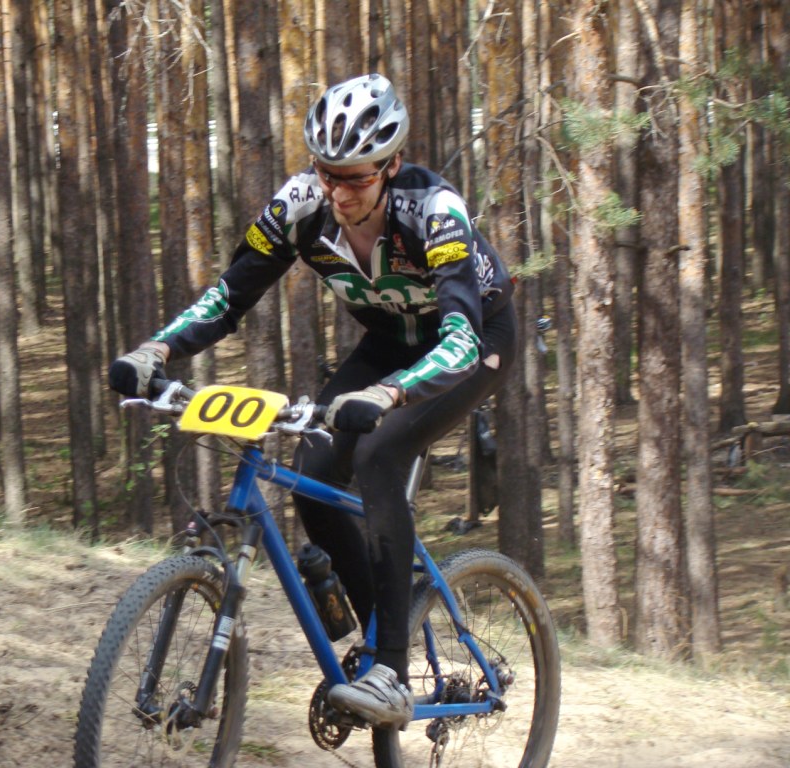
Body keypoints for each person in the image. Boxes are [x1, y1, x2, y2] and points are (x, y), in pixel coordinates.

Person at [108, 73, 517, 730]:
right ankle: (379, 640)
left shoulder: (435, 211)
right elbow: (230, 294)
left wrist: (387, 392)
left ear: (391, 166)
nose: (338, 192)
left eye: (356, 179)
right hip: (388, 342)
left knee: (380, 455)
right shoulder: (300, 205)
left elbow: (461, 340)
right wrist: (156, 350)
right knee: (314, 474)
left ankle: (391, 671)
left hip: (473, 342)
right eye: (328, 174)